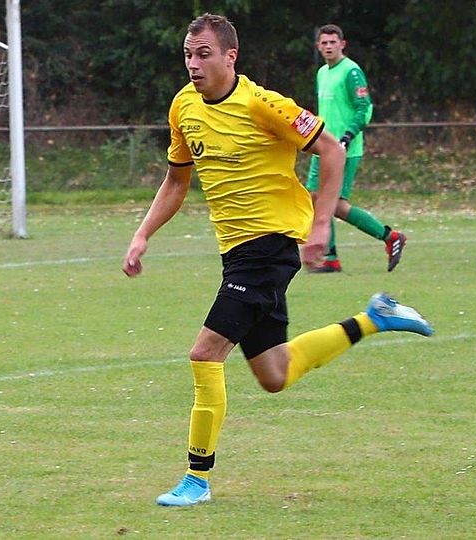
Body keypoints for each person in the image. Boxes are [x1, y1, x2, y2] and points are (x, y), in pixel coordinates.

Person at [121, 13, 434, 507]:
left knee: (205, 353)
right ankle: (375, 318)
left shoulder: (265, 104)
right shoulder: (183, 106)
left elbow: (330, 151)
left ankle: (196, 478)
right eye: (188, 54)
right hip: (236, 254)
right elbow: (177, 181)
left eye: (204, 54)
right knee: (275, 374)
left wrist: (323, 222)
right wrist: (142, 235)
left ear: (230, 56)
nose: (194, 64)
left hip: (268, 250)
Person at [306, 23, 406, 273]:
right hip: (323, 146)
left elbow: (364, 108)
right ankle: (331, 257)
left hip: (343, 150)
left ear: (342, 44)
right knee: (316, 198)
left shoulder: (351, 71)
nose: (328, 46)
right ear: (318, 46)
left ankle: (389, 237)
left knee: (335, 204)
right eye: (324, 43)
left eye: (333, 42)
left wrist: (347, 136)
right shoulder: (322, 73)